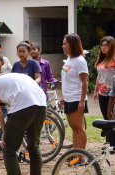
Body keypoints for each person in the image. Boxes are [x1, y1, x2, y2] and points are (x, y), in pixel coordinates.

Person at [0, 73, 46, 175]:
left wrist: (5, 131)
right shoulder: (14, 78)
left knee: (9, 149)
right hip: (42, 105)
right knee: (34, 147)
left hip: (24, 107)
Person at [60, 33, 89, 165]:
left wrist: (82, 100)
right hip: (68, 98)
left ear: (73, 45)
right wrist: (63, 96)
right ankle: (75, 155)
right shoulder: (69, 60)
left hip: (77, 98)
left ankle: (81, 157)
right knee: (74, 128)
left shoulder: (79, 61)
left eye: (65, 44)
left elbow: (85, 82)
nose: (63, 46)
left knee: (79, 128)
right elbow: (67, 80)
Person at [94, 36, 115, 145]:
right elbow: (99, 76)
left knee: (112, 117)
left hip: (113, 94)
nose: (103, 47)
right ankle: (109, 141)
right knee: (106, 117)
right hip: (102, 93)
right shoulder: (102, 60)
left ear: (111, 46)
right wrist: (95, 90)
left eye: (105, 45)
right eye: (101, 45)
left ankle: (112, 142)